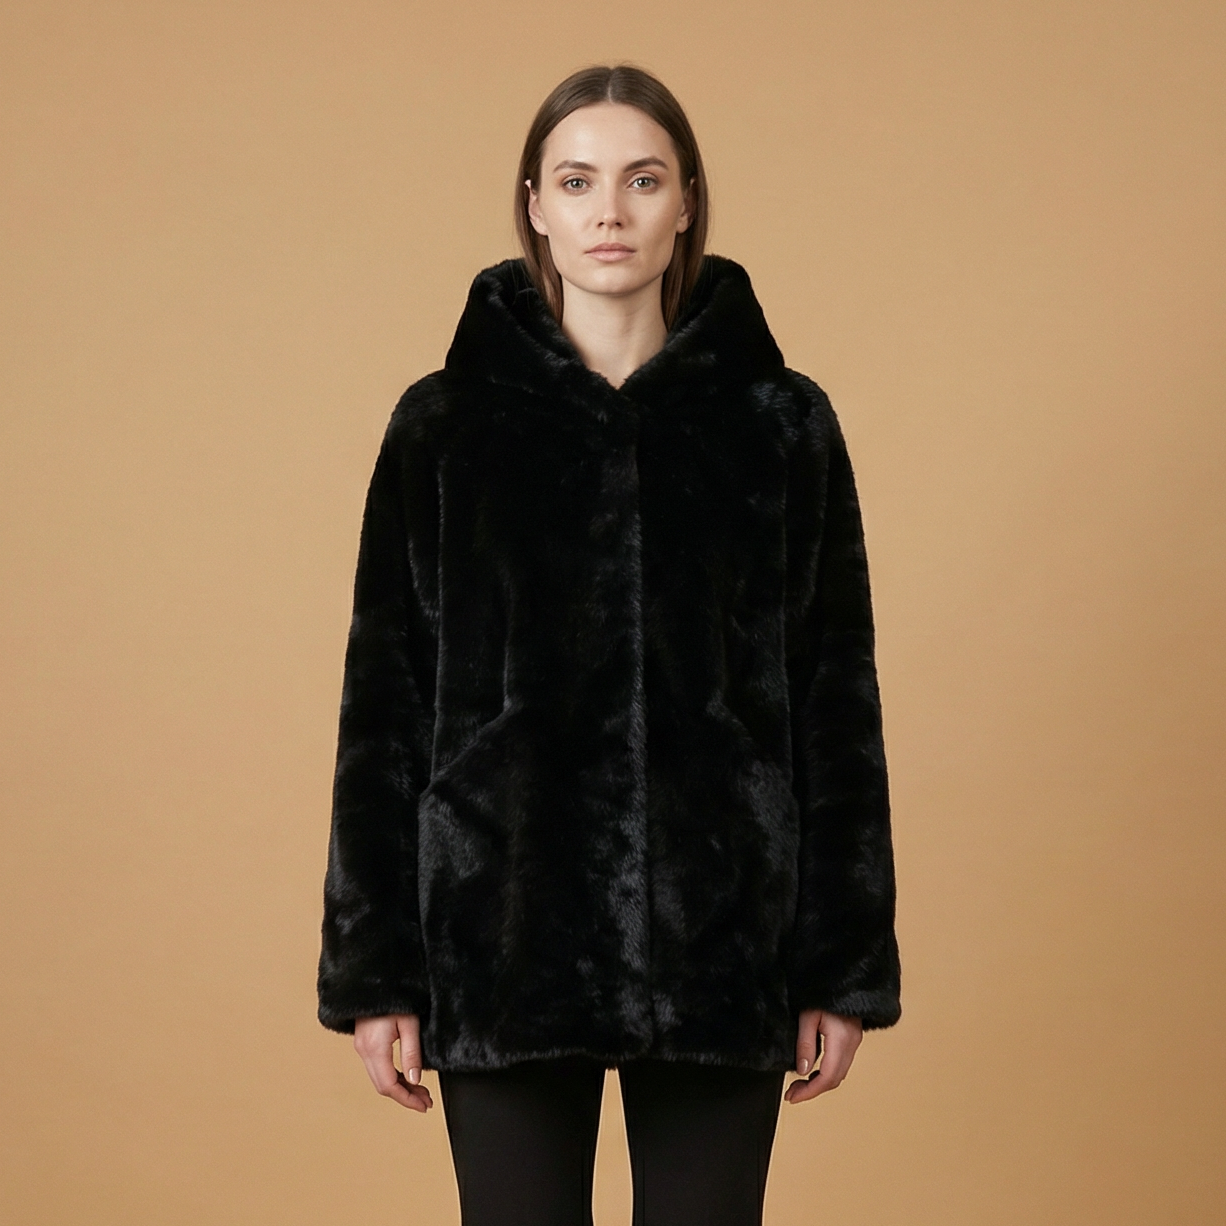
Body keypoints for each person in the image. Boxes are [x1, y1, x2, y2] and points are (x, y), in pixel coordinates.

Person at [316, 63, 901, 1226]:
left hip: (721, 931)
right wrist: (376, 972)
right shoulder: (444, 425)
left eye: (642, 180)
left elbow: (833, 697)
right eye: (577, 181)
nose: (609, 212)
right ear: (534, 204)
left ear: (685, 202)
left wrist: (839, 964)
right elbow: (385, 703)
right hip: (502, 927)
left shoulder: (780, 424)